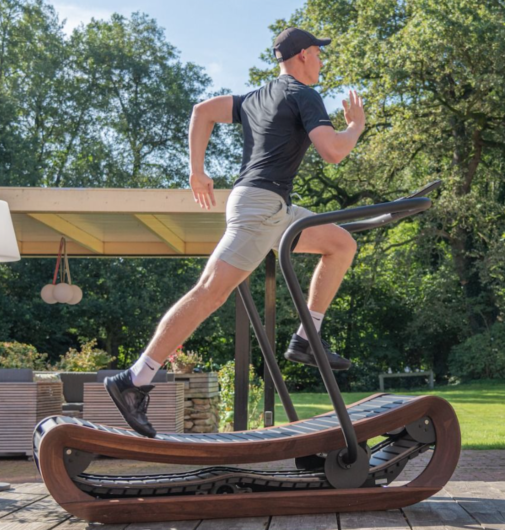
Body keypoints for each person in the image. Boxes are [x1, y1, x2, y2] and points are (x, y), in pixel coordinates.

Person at [105, 27, 366, 438]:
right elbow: (333, 151)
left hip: (272, 205)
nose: (321, 61)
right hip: (260, 206)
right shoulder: (302, 94)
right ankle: (134, 379)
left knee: (340, 243)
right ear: (301, 56)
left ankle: (306, 337)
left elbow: (201, 111)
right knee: (210, 291)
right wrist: (355, 126)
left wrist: (197, 170)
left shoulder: (256, 97)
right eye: (318, 54)